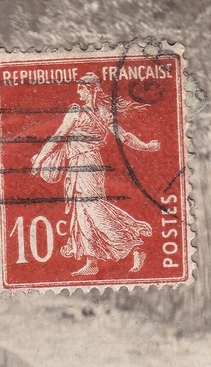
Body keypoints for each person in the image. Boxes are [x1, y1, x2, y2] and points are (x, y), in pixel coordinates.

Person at [30, 72, 160, 277]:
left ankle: (134, 247)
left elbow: (58, 137)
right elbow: (124, 137)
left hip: (85, 164)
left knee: (93, 208)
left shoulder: (79, 112)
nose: (78, 92)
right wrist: (146, 146)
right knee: (82, 213)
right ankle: (91, 261)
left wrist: (39, 160)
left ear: (90, 89)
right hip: (84, 165)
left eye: (81, 88)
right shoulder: (104, 113)